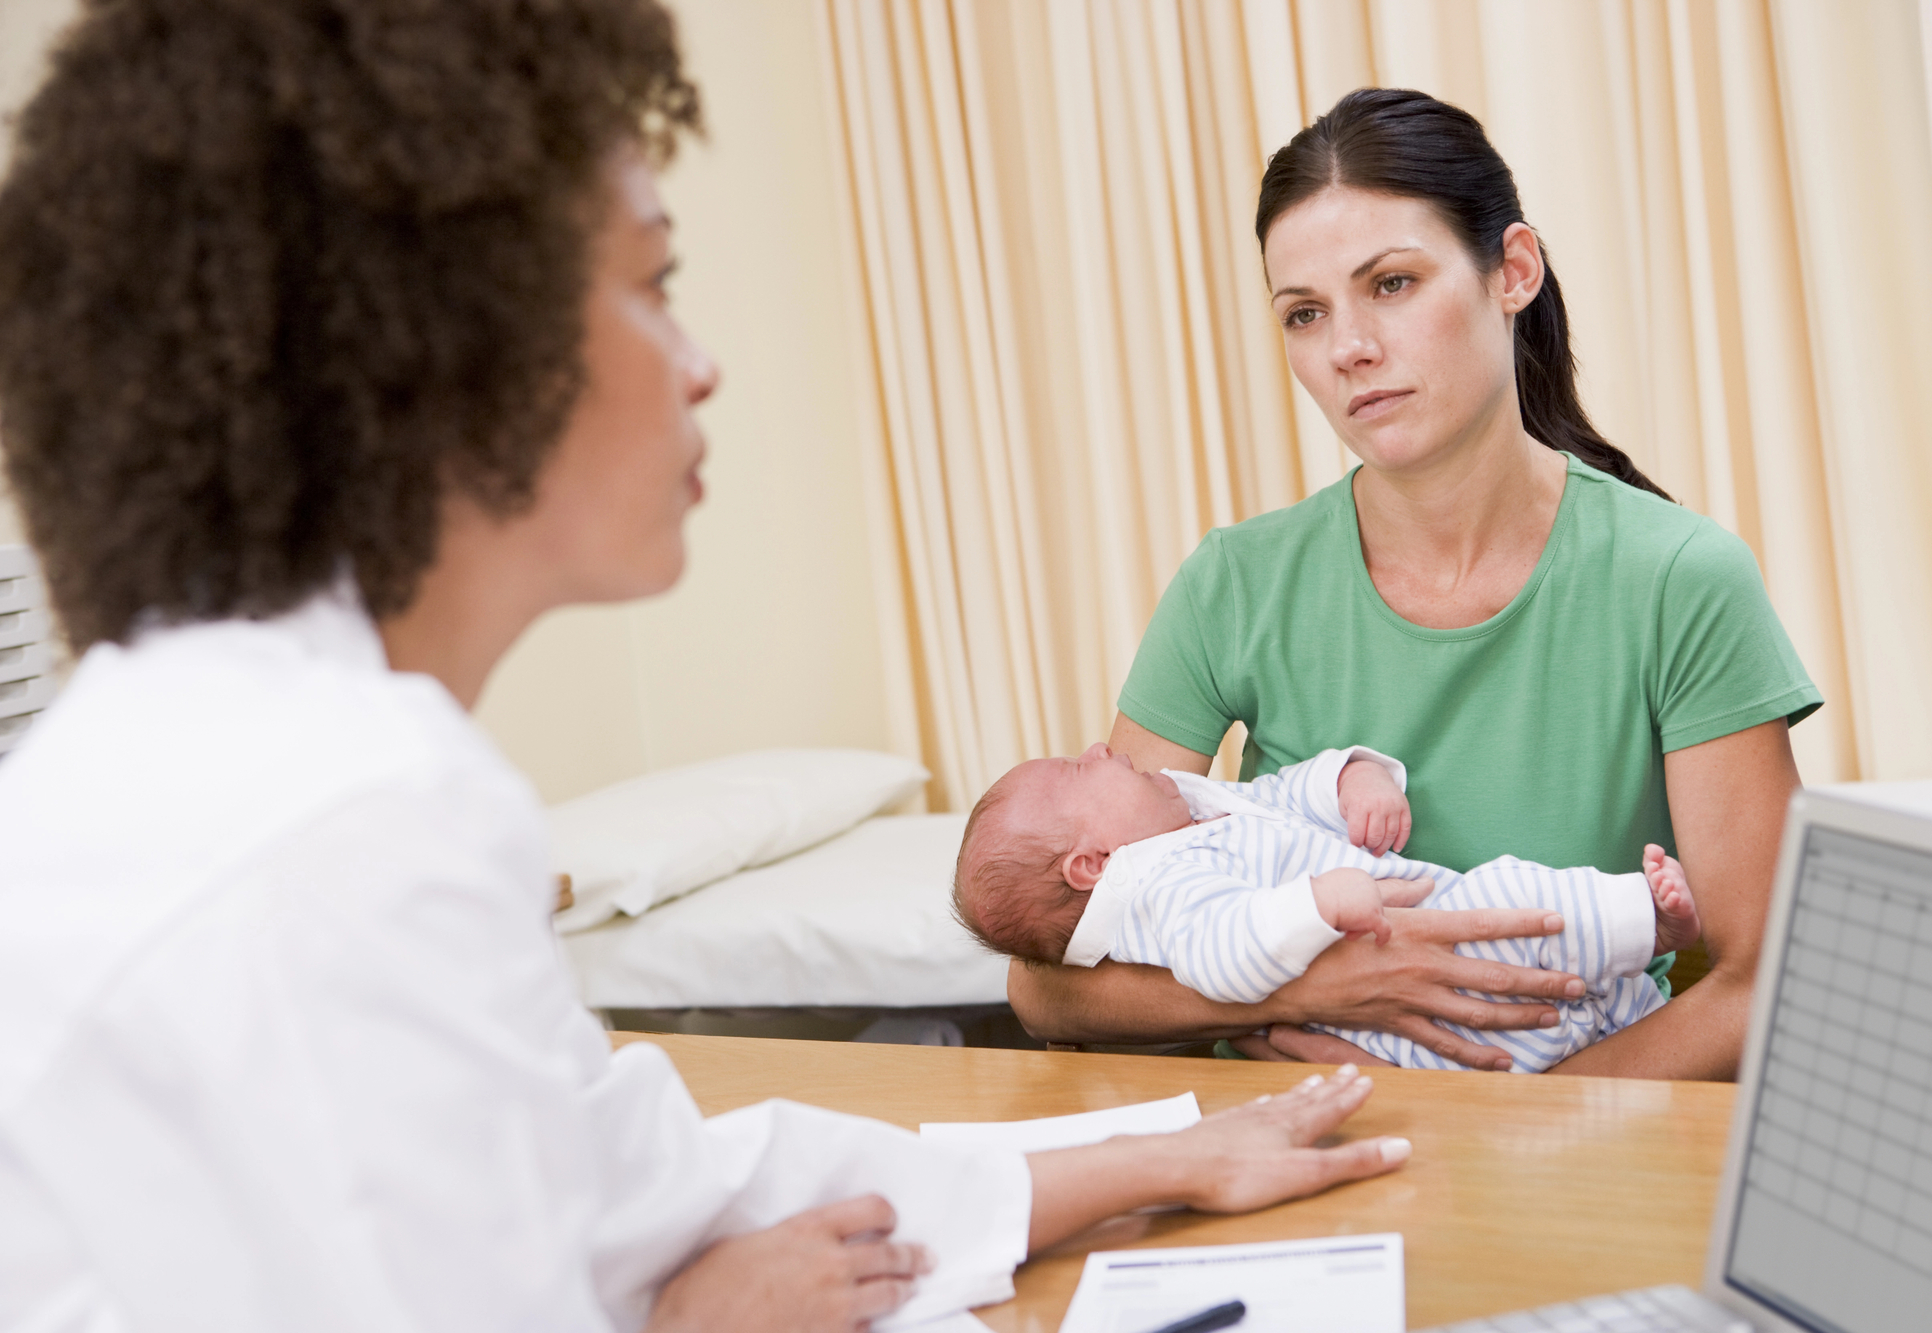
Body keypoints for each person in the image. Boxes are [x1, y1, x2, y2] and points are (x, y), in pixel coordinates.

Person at [0, 4, 1411, 1331]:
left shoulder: (271, 753)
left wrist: (1176, 1160)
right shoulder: (335, 816)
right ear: (454, 341)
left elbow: (651, 1183)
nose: (700, 365)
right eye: (655, 283)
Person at [1007, 88, 1821, 1080]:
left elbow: (1759, 975)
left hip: (1561, 1135)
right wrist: (1315, 986)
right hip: (1292, 1142)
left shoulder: (1675, 578)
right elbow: (1043, 983)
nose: (1347, 347)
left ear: (1510, 272)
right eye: (1302, 314)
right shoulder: (1234, 583)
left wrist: (1516, 1132)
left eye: (1390, 284)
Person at [954, 742, 1700, 1072]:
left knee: (1564, 973)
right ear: (1090, 866)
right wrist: (1318, 903)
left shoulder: (1192, 812)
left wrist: (1354, 780)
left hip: (1431, 959)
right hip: (1396, 1008)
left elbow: (1283, 794)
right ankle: (1652, 919)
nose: (1097, 746)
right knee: (1509, 895)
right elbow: (1222, 956)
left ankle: (1632, 986)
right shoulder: (1161, 886)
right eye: (1076, 768)